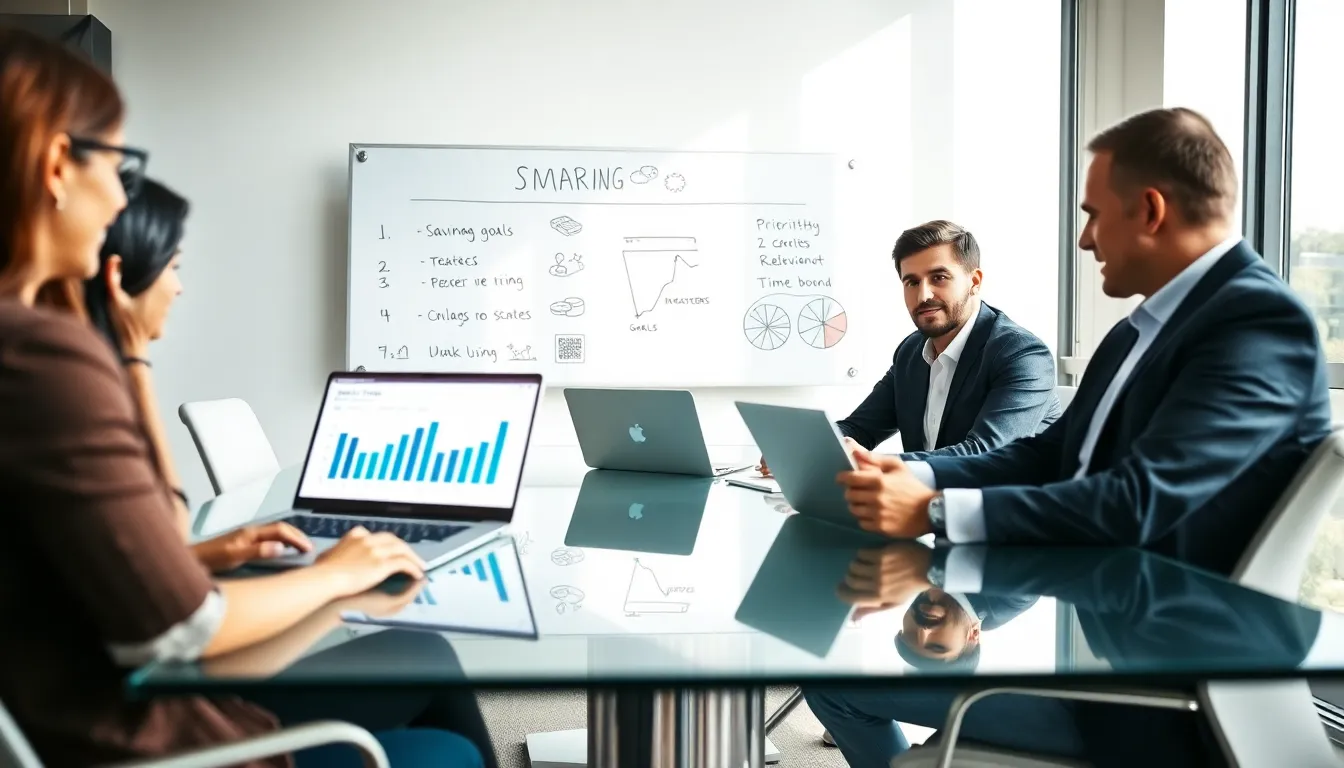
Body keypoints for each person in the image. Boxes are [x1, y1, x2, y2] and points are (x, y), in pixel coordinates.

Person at [0, 28, 484, 767]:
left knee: (427, 662)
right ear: (59, 165)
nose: (120, 197)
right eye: (120, 166)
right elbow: (178, 630)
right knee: (444, 750)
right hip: (144, 739)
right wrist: (334, 575)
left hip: (81, 714)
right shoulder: (40, 356)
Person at [812, 107, 1332, 766]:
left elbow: (1137, 501)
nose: (1085, 240)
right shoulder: (1137, 332)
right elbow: (1053, 453)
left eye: (1093, 215)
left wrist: (935, 511)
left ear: (1150, 210)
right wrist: (918, 475)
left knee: (837, 684)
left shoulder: (1256, 324)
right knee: (836, 677)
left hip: (1154, 693)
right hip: (1097, 638)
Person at [759, 220, 1060, 476]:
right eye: (912, 282)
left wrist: (869, 463)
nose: (924, 295)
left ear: (975, 281)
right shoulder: (912, 351)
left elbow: (984, 454)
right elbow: (860, 428)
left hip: (1005, 516)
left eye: (939, 278)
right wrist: (805, 449)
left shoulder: (1022, 355)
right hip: (927, 507)